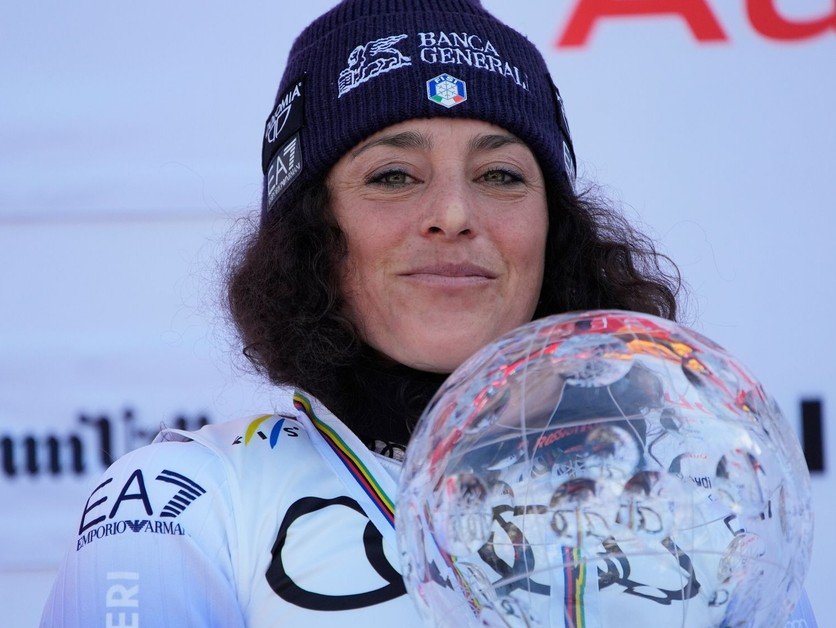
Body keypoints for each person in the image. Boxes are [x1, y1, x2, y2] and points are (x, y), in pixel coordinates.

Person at [40, 0, 816, 626]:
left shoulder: (697, 492)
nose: (453, 213)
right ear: (313, 232)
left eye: (503, 173)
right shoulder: (186, 505)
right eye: (394, 175)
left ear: (557, 229)